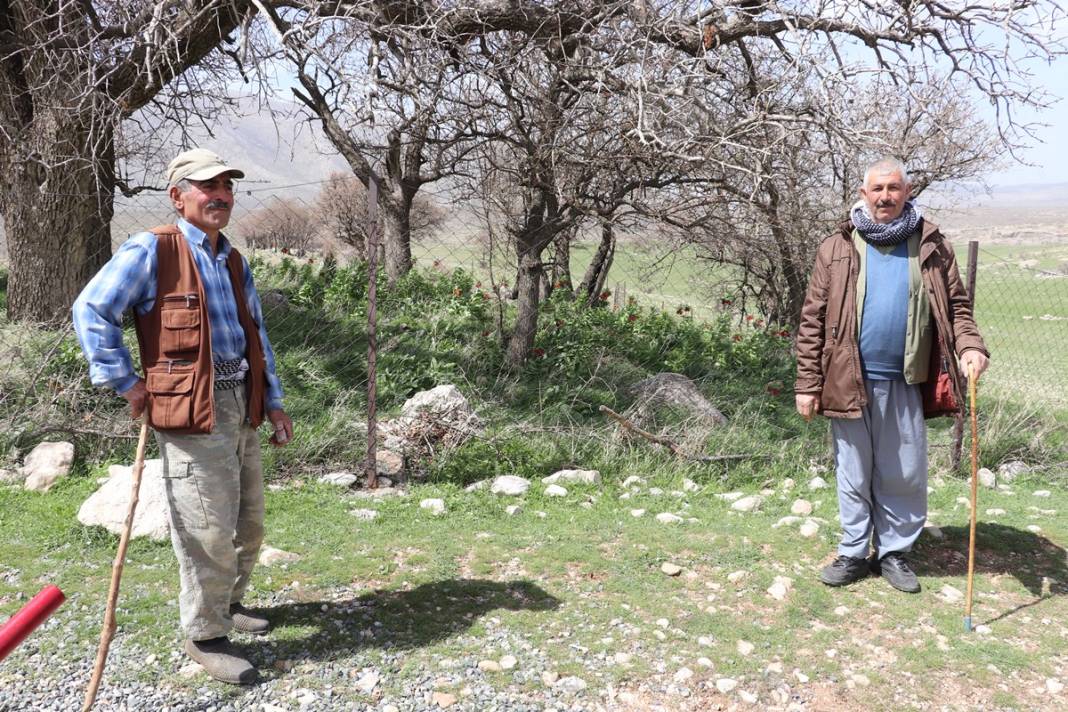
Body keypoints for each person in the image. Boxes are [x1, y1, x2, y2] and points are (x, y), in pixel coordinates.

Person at [73, 148, 294, 684]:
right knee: (206, 525)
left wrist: (275, 399)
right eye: (207, 186)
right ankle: (205, 633)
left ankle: (228, 605)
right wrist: (126, 381)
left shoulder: (232, 258)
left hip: (241, 402)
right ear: (178, 197)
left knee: (248, 522)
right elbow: (92, 309)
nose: (220, 195)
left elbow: (255, 335)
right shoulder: (153, 249)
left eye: (227, 186)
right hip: (191, 410)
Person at [795, 157, 989, 594]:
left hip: (905, 378)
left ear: (907, 191)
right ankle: (852, 550)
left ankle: (894, 552)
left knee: (903, 470)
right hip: (848, 380)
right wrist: (807, 384)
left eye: (893, 188)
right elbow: (812, 320)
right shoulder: (837, 246)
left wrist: (971, 346)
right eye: (877, 189)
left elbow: (957, 307)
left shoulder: (931, 245)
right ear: (864, 194)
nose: (885, 196)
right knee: (853, 470)